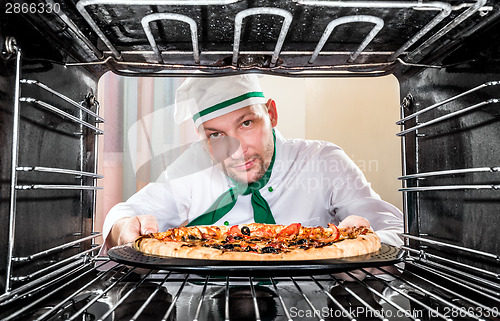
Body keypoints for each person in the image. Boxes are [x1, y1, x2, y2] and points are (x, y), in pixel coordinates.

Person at [102, 74, 403, 259]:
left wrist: (365, 240)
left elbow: (394, 229)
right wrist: (123, 229)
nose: (236, 150)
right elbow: (124, 217)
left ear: (271, 114)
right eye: (216, 135)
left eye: (246, 123)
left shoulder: (323, 161)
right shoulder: (192, 167)